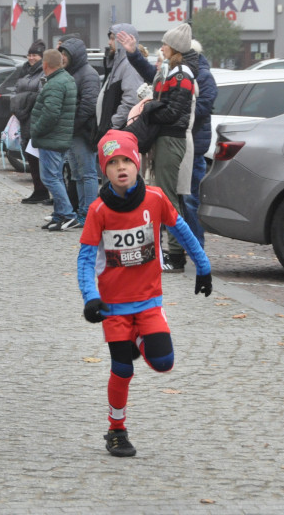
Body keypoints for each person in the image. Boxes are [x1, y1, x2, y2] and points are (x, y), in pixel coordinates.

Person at [78, 129, 213, 458]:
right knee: (122, 369)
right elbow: (84, 259)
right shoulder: (98, 211)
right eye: (113, 163)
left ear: (137, 164)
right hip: (113, 306)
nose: (121, 168)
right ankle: (116, 429)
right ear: (104, 170)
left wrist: (204, 266)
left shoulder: (155, 198)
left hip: (149, 302)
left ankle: (140, 339)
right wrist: (90, 298)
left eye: (126, 160)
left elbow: (181, 228)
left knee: (164, 363)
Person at [117, 23, 199, 272]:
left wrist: (150, 111)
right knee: (163, 195)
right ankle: (169, 251)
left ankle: (176, 254)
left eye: (165, 43)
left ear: (174, 48)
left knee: (168, 197)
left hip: (171, 138)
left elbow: (175, 112)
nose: (161, 47)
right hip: (164, 138)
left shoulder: (183, 74)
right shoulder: (171, 70)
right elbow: (163, 97)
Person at [31, 48, 78, 231]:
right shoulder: (66, 79)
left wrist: (36, 129)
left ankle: (68, 214)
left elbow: (50, 114)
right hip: (60, 137)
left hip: (51, 138)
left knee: (50, 178)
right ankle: (59, 216)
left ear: (45, 65)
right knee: (57, 177)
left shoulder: (55, 83)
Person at [57, 37, 101, 228]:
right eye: (62, 54)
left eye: (66, 54)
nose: (63, 57)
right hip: (72, 131)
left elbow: (89, 105)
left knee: (88, 173)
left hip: (83, 132)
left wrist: (72, 125)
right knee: (76, 174)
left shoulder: (88, 74)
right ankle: (82, 212)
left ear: (74, 55)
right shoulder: (72, 72)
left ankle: (89, 214)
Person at [181, 40, 218, 248]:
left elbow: (203, 107)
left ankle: (196, 245)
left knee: (190, 199)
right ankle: (187, 243)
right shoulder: (189, 73)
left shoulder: (202, 76)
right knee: (184, 199)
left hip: (194, 146)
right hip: (186, 144)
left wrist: (179, 110)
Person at [9, 39, 50, 204]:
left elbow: (40, 95)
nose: (31, 58)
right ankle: (38, 190)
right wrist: (19, 106)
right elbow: (15, 91)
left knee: (39, 158)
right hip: (24, 119)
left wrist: (23, 101)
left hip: (35, 118)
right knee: (30, 157)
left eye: (35, 55)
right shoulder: (24, 71)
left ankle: (44, 190)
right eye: (30, 54)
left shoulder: (43, 72)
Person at [96, 24, 146, 139]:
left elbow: (131, 101)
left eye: (113, 39)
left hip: (119, 134)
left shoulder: (129, 65)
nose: (109, 43)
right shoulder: (118, 64)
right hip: (113, 132)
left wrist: (112, 125)